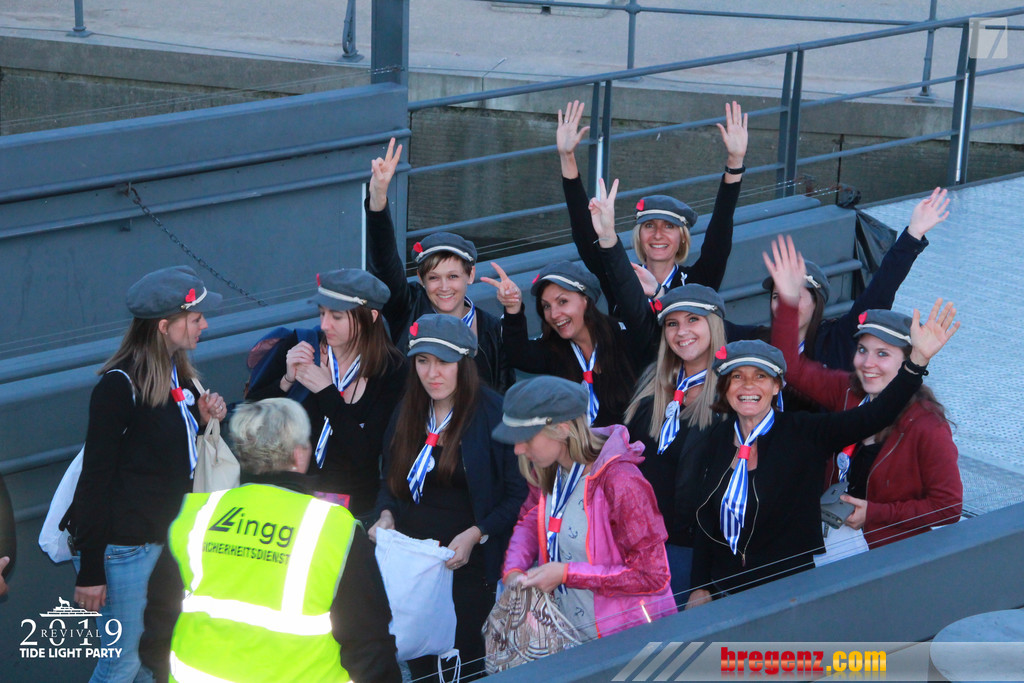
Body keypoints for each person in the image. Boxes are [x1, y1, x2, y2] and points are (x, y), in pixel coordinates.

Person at [686, 305, 958, 608]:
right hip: (725, 590)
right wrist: (700, 586)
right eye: (737, 376)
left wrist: (917, 363)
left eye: (760, 376)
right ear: (725, 388)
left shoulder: (805, 433)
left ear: (777, 386)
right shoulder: (716, 438)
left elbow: (877, 415)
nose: (748, 385)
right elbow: (706, 517)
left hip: (790, 594)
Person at [166, 398, 401, 682]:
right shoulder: (335, 528)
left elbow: (158, 617)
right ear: (299, 455)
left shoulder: (197, 514)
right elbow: (370, 646)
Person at [70, 266, 227, 682]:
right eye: (196, 318)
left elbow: (163, 457)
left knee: (149, 661)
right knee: (121, 664)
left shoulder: (181, 377)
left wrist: (203, 420)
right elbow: (94, 480)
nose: (205, 325)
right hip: (123, 550)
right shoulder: (118, 387)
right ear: (164, 326)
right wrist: (91, 570)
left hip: (162, 542)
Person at [765, 235, 962, 548]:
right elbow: (791, 366)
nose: (868, 363)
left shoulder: (927, 425)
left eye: (883, 354)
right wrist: (788, 302)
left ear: (907, 361)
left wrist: (875, 513)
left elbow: (948, 507)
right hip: (828, 538)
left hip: (883, 555)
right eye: (862, 350)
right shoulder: (847, 390)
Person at [371, 314, 526, 682]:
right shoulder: (408, 410)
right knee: (420, 663)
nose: (432, 373)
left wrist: (476, 533)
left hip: (468, 569)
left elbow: (518, 495)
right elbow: (390, 481)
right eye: (423, 361)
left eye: (444, 362)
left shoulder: (494, 413)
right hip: (414, 566)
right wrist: (386, 515)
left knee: (467, 664)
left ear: (464, 363)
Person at [498, 376, 676, 640]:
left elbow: (652, 575)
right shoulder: (548, 470)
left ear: (562, 429)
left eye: (527, 438)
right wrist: (514, 571)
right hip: (569, 635)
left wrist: (567, 574)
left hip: (629, 640)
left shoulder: (621, 481)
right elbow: (530, 521)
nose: (517, 449)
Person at [555, 99, 747, 313]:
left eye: (669, 226)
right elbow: (585, 234)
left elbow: (720, 232)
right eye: (649, 225)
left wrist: (735, 161)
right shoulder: (623, 277)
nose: (657, 234)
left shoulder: (697, 281)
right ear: (639, 235)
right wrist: (567, 157)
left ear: (682, 238)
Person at [246, 269, 406, 519]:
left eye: (337, 316)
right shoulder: (301, 345)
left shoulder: (393, 370)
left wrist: (326, 392)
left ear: (371, 316)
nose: (324, 325)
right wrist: (286, 381)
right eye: (322, 313)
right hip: (289, 497)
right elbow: (251, 415)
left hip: (352, 509)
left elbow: (366, 454)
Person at [365, 138, 516, 392]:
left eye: (453, 276)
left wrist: (514, 311)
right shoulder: (407, 308)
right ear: (421, 280)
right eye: (434, 277)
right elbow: (384, 264)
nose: (444, 287)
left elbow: (502, 392)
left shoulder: (491, 329)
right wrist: (378, 200)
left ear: (471, 275)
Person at [759, 187, 951, 371]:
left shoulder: (837, 339)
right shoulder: (760, 343)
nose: (784, 304)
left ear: (816, 302)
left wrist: (913, 235)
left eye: (794, 295)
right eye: (776, 296)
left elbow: (881, 290)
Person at [623, 284, 728, 601]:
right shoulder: (651, 386)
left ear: (714, 324)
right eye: (672, 323)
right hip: (636, 547)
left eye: (693, 319)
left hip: (690, 554)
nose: (682, 332)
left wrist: (705, 582)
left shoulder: (732, 395)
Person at [484, 259, 642, 426]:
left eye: (562, 301)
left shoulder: (623, 336)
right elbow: (519, 355)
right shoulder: (555, 348)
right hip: (580, 442)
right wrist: (513, 308)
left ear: (585, 300)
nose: (554, 314)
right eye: (546, 306)